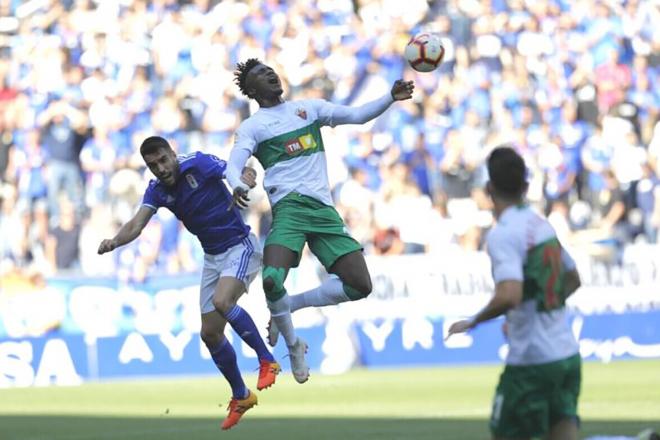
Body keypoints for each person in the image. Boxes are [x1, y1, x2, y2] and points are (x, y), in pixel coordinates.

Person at [226, 58, 414, 383]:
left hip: (323, 211)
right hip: (288, 211)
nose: (270, 73)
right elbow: (233, 165)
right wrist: (240, 185)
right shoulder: (253, 127)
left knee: (360, 286)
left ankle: (293, 305)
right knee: (271, 279)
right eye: (260, 74)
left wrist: (390, 97)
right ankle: (294, 345)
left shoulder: (309, 109)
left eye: (270, 68)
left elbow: (356, 116)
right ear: (252, 90)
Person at [97, 136, 279, 430]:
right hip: (213, 257)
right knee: (210, 334)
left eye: (163, 160)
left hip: (240, 245)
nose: (161, 168)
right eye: (153, 165)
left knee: (223, 301)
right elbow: (137, 224)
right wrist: (115, 241)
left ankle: (266, 360)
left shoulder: (198, 162)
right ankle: (241, 395)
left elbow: (237, 171)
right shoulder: (156, 191)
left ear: (172, 153)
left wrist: (246, 177)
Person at [446, 146, 582, 440]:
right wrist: (542, 305)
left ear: (489, 188)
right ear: (525, 186)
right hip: (567, 355)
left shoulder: (503, 234)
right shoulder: (542, 224)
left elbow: (510, 294)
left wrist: (473, 321)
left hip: (532, 362)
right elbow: (572, 279)